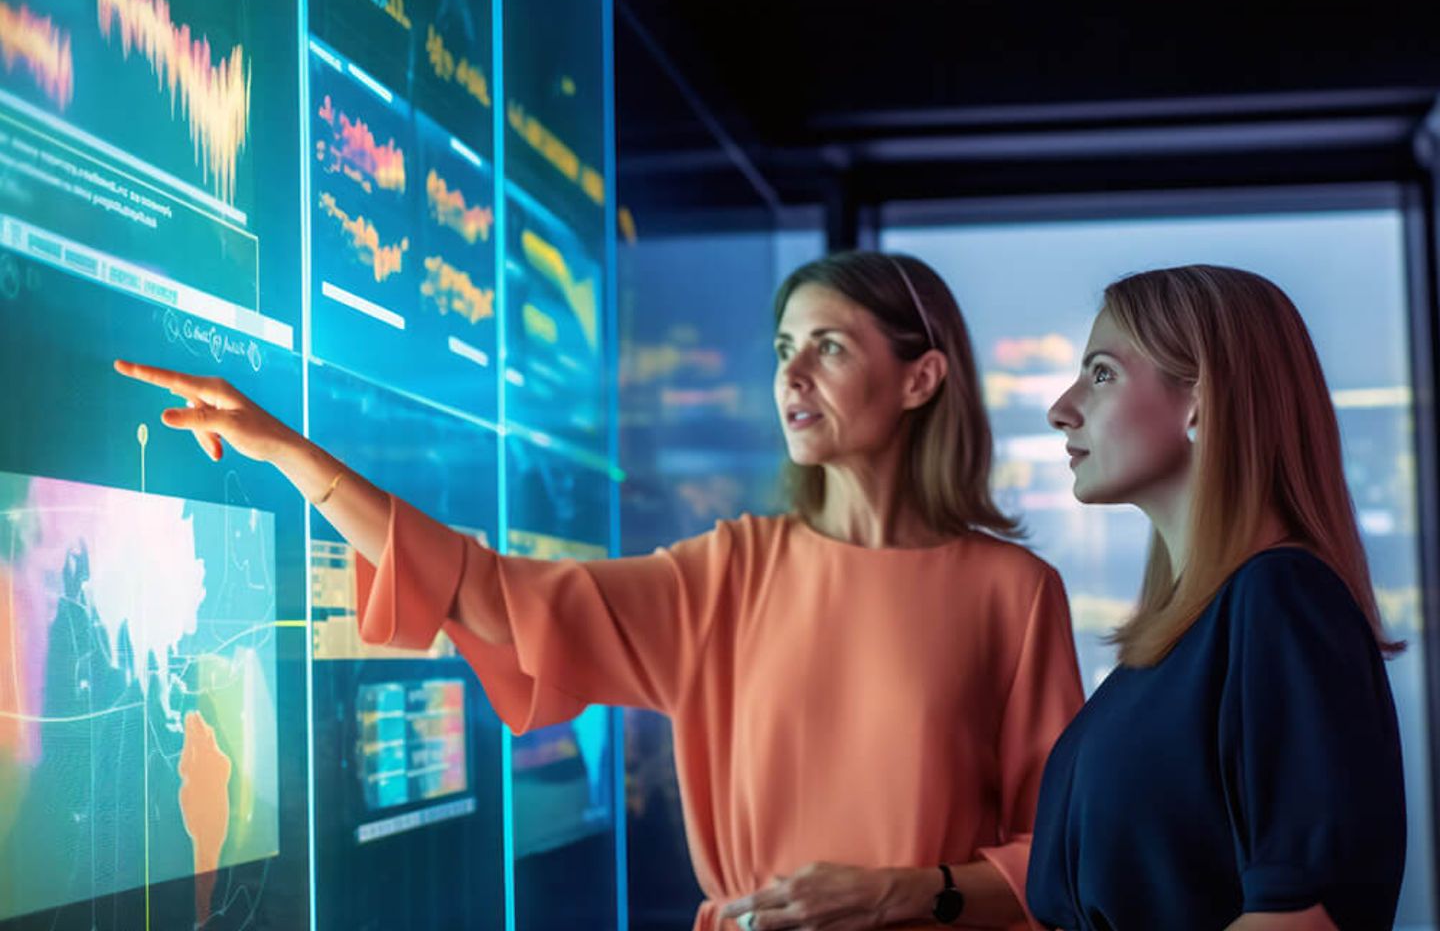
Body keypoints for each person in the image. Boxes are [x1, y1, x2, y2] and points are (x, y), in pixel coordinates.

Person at [118, 250, 1085, 931]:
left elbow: (1065, 859)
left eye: (830, 346)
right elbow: (488, 593)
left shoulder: (1014, 592)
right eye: (784, 346)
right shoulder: (733, 571)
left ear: (921, 378)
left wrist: (901, 894)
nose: (791, 372)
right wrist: (296, 456)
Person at [1028, 265, 1406, 931]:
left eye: (1102, 373)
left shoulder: (1279, 598)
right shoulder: (1186, 635)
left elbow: (1298, 915)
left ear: (1199, 400)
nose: (1062, 407)